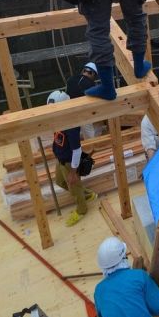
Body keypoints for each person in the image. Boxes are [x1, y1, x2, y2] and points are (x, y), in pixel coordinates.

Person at [47, 90, 97, 227]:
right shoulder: (58, 119)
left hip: (70, 163)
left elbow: (76, 150)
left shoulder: (71, 125)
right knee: (60, 182)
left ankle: (82, 210)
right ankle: (87, 194)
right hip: (61, 159)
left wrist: (74, 172)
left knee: (74, 189)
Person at [67, 62, 99, 139]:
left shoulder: (71, 79)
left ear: (83, 70)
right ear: (93, 74)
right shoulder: (90, 84)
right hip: (83, 111)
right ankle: (91, 147)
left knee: (72, 132)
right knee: (89, 133)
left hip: (69, 109)